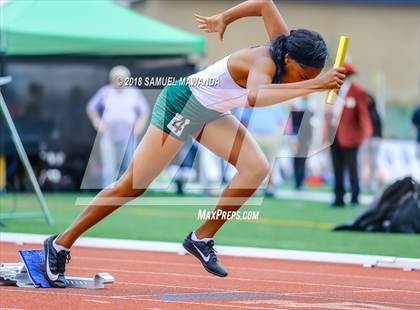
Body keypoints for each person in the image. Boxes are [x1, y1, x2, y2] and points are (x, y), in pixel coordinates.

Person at [43, 0, 345, 287]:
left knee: (255, 169)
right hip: (182, 104)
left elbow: (264, 4)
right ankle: (59, 244)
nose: (300, 81)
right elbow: (256, 97)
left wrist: (225, 18)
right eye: (302, 75)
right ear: (289, 60)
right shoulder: (264, 63)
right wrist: (316, 85)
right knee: (131, 185)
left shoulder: (286, 45)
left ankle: (201, 239)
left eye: (311, 77)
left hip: (211, 112)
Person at [86, 66, 150, 187]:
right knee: (109, 167)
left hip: (128, 136)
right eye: (117, 78)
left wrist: (139, 126)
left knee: (129, 166)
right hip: (109, 135)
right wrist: (97, 122)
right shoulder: (105, 92)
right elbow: (91, 108)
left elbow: (144, 112)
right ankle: (107, 195)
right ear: (112, 79)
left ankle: (126, 192)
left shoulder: (134, 93)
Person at [327, 63, 372, 207]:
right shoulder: (333, 90)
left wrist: (367, 131)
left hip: (351, 137)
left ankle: (355, 197)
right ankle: (338, 198)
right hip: (334, 136)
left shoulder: (357, 91)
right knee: (337, 168)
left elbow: (363, 113)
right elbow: (328, 113)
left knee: (353, 168)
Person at [236, 104, 285, 196]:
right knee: (252, 162)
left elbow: (280, 120)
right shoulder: (251, 99)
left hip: (271, 136)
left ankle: (270, 186)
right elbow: (243, 118)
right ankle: (251, 187)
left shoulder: (276, 102)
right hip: (254, 135)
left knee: (271, 163)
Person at [361, 94, 382, 193]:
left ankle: (373, 184)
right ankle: (361, 183)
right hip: (365, 140)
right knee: (361, 162)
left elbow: (379, 126)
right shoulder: (363, 112)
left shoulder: (375, 112)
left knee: (374, 163)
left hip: (375, 140)